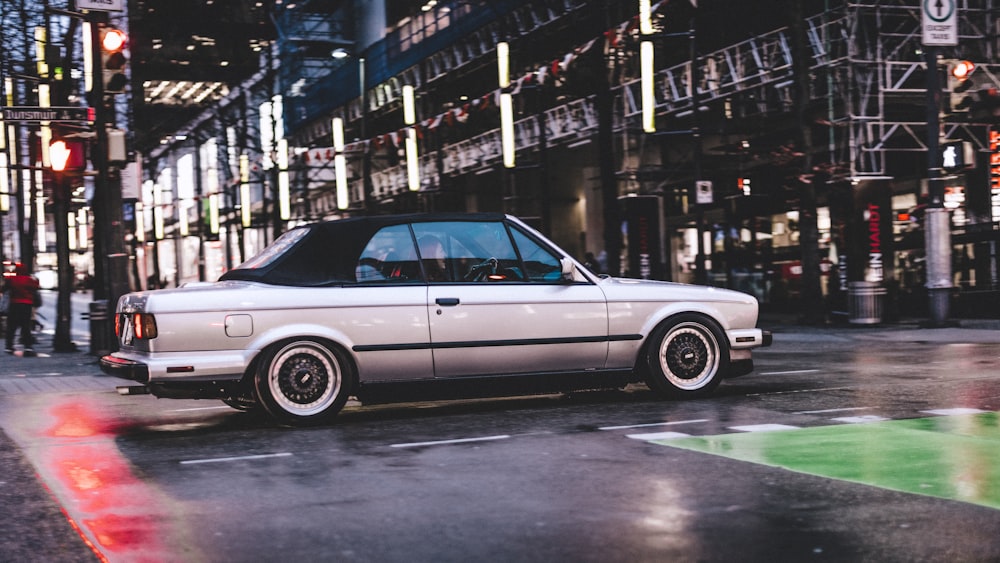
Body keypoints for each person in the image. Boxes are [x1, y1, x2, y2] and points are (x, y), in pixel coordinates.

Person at [2, 263, 40, 356]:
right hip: (26, 304)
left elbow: (4, 289)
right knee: (25, 326)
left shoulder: (11, 280)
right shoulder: (29, 280)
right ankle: (28, 346)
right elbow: (36, 287)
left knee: (12, 326)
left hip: (14, 304)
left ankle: (9, 346)